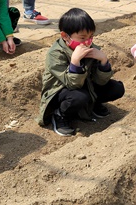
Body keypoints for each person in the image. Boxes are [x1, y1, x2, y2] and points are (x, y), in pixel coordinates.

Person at [38, 8, 125, 137]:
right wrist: (75, 62)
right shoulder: (55, 54)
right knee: (79, 97)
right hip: (60, 92)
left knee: (116, 88)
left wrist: (103, 62)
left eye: (91, 37)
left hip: (84, 86)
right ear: (65, 36)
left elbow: (100, 81)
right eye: (82, 37)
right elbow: (72, 84)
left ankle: (92, 105)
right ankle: (60, 114)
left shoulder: (91, 48)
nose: (88, 42)